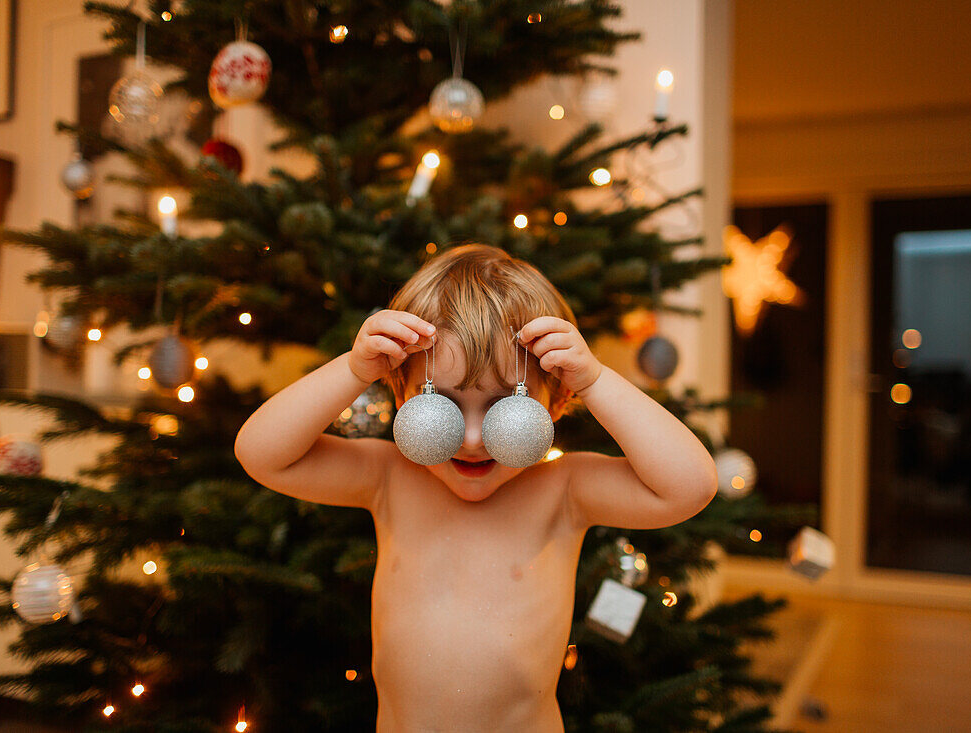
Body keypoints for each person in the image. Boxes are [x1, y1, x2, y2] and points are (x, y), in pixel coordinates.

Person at [234, 243, 718, 732]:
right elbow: (262, 454)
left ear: (556, 403)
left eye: (506, 407)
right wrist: (356, 370)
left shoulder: (565, 490)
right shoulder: (389, 476)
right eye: (437, 403)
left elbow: (690, 487)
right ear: (400, 393)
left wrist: (593, 379)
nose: (469, 439)